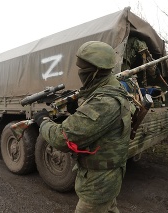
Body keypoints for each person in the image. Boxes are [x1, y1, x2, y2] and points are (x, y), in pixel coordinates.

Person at [33, 41, 134, 213]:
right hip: (107, 177)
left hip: (98, 183)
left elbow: (61, 138)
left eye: (83, 67)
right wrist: (78, 106)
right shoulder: (114, 88)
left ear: (95, 70)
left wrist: (42, 121)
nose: (80, 72)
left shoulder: (105, 102)